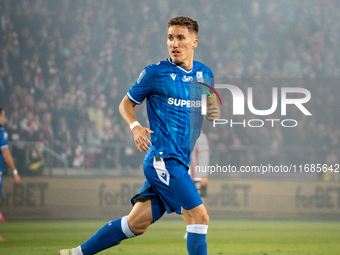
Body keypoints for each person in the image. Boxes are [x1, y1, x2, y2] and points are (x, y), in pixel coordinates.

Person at [58, 16, 220, 255]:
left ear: (194, 42)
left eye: (180, 38)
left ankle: (76, 253)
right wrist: (135, 126)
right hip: (163, 160)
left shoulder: (205, 74)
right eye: (170, 38)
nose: (174, 43)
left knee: (136, 224)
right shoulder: (155, 73)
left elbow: (206, 111)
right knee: (200, 217)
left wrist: (211, 113)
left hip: (179, 163)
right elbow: (125, 104)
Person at [0, 107, 21, 242]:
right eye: (3, 115)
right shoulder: (1, 132)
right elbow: (6, 154)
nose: (4, 118)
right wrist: (15, 172)